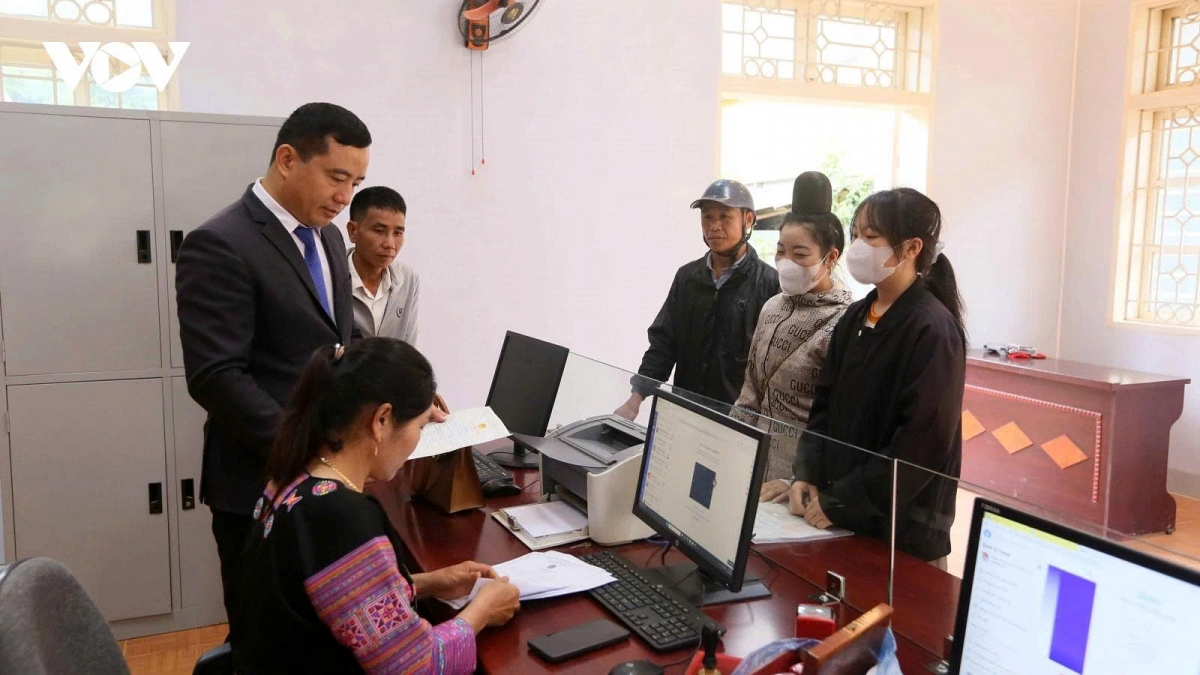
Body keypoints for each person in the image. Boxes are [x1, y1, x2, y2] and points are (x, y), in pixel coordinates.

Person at [175, 102, 371, 620]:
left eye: (356, 182)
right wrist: (304, 448)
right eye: (336, 177)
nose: (345, 198)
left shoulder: (327, 234)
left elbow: (334, 342)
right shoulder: (220, 243)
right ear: (288, 159)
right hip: (257, 483)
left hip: (320, 478)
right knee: (263, 641)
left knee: (317, 634)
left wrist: (397, 394)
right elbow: (216, 377)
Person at [230, 338, 521, 674]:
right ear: (382, 419)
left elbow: (331, 597)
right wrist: (481, 612)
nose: (418, 441)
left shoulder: (290, 480)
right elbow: (415, 667)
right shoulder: (343, 518)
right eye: (420, 426)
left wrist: (429, 582)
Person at [788, 187, 966, 565]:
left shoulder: (932, 328)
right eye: (855, 234)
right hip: (840, 515)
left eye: (871, 236)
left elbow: (922, 441)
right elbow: (824, 407)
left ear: (912, 248)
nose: (857, 246)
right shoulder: (855, 317)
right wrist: (807, 473)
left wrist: (843, 501)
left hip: (900, 532)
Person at [616, 180, 779, 419]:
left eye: (725, 217)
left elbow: (770, 366)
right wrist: (635, 399)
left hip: (738, 422)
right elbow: (664, 342)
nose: (714, 226)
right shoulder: (687, 277)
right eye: (707, 217)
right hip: (684, 413)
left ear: (749, 220)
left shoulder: (769, 283)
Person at [735, 172, 853, 493]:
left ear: (830, 258)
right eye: (780, 251)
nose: (786, 263)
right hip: (753, 470)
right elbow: (750, 393)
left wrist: (798, 481)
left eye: (800, 254)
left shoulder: (844, 322)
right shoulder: (772, 306)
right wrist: (729, 448)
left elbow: (839, 425)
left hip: (801, 484)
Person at [346, 186, 421, 345]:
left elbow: (409, 346)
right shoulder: (330, 274)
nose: (390, 244)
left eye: (398, 233)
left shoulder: (407, 278)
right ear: (353, 231)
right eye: (379, 231)